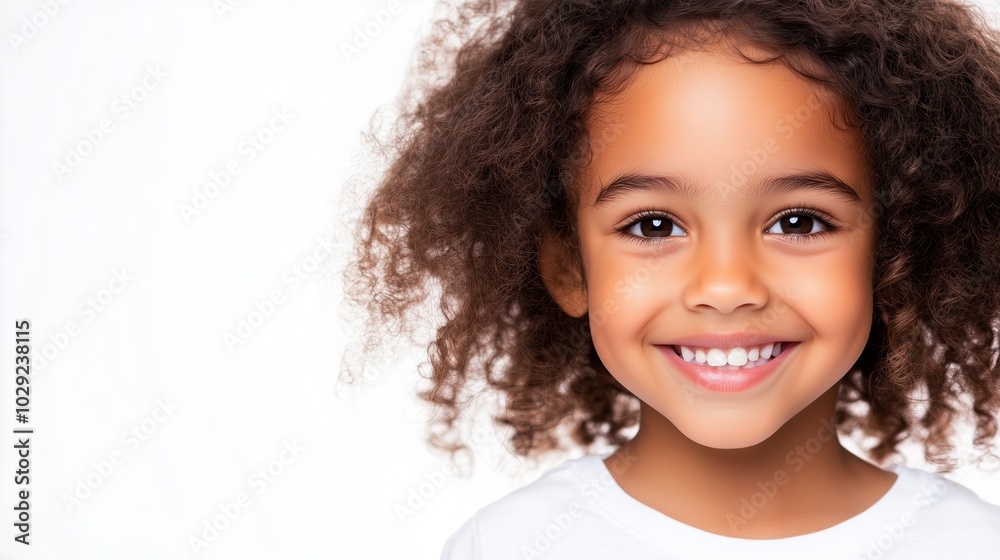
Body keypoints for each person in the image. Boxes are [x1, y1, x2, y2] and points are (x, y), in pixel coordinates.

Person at [343, 0, 1000, 557]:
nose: (725, 285)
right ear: (569, 267)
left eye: (798, 222)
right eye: (654, 227)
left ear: (896, 257)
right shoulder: (515, 546)